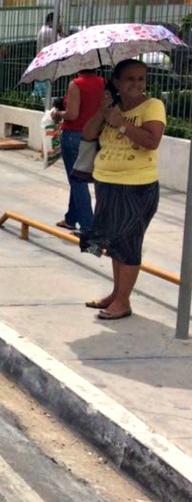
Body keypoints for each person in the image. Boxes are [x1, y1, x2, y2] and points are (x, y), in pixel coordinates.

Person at [80, 59, 165, 321]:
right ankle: (116, 294)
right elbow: (88, 135)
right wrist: (103, 112)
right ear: (116, 82)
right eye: (130, 79)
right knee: (113, 243)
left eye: (141, 79)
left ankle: (124, 302)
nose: (136, 84)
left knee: (129, 243)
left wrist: (122, 124)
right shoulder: (112, 108)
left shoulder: (153, 106)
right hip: (106, 183)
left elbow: (152, 141)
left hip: (137, 187)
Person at [50, 67, 105, 234]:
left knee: (77, 180)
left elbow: (73, 114)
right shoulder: (103, 83)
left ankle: (88, 226)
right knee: (80, 176)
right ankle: (71, 218)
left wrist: (57, 113)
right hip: (94, 134)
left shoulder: (76, 84)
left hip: (74, 135)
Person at [33, 12, 60, 98]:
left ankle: (36, 99)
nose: (59, 24)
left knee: (40, 84)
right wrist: (60, 31)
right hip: (46, 63)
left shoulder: (43, 30)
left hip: (42, 61)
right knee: (44, 86)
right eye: (58, 21)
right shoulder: (48, 31)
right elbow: (62, 41)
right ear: (50, 22)